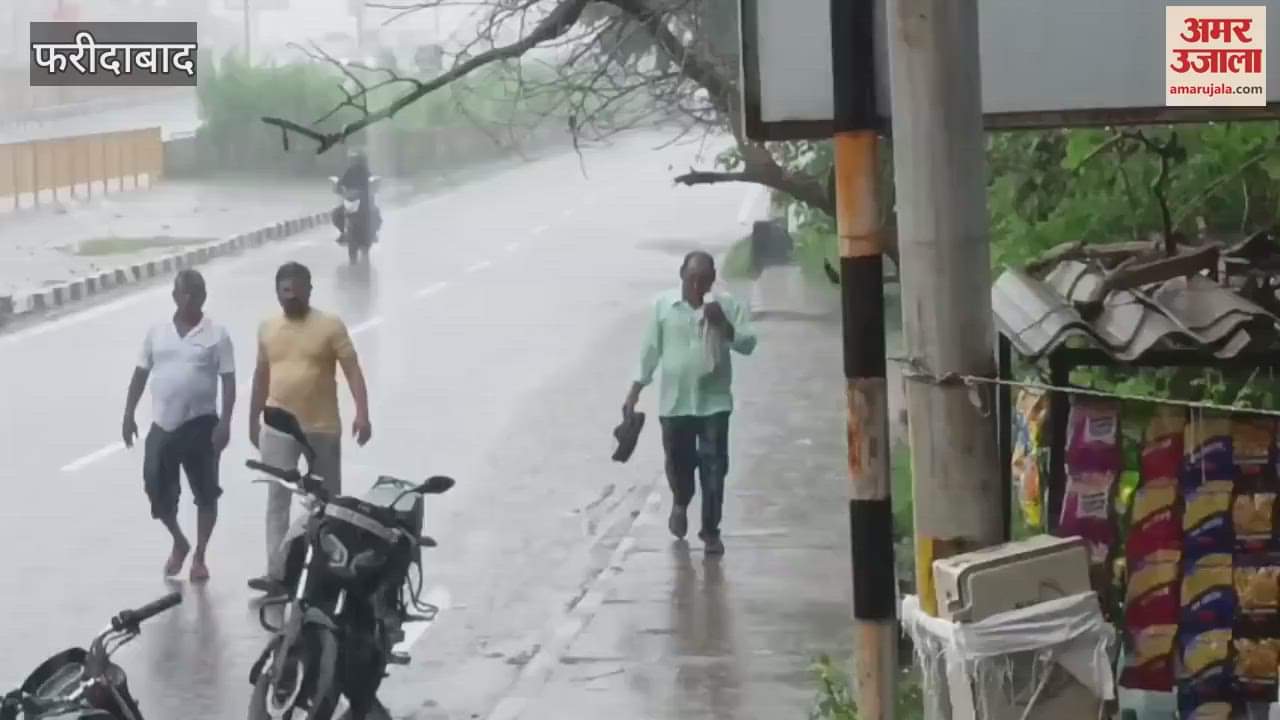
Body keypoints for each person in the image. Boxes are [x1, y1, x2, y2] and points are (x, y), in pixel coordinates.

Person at [247, 261, 373, 595]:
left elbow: (352, 370)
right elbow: (260, 376)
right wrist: (252, 418)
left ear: (309, 290)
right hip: (278, 426)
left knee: (327, 502)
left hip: (321, 427)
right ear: (276, 292)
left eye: (297, 291)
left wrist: (362, 412)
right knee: (277, 500)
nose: (290, 298)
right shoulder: (267, 328)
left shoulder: (330, 326)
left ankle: (327, 570)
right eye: (284, 291)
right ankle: (277, 574)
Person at [622, 251, 757, 555]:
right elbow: (649, 352)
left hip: (715, 403)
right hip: (675, 404)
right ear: (681, 274)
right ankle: (680, 502)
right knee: (679, 465)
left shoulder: (725, 306)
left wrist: (724, 325)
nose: (697, 285)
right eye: (692, 278)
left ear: (712, 280)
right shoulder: (664, 307)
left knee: (714, 468)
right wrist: (634, 393)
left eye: (704, 279)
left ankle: (710, 531)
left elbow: (748, 344)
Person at [122, 269, 235, 582]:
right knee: (156, 486)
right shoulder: (156, 331)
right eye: (184, 293)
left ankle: (199, 555)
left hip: (201, 425)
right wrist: (128, 414)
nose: (190, 299)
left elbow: (228, 380)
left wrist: (225, 423)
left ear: (202, 297)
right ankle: (179, 541)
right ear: (175, 296)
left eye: (196, 294)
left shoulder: (217, 335)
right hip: (163, 425)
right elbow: (140, 374)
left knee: (206, 493)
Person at [332, 150, 382, 244]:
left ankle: (372, 233)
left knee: (375, 214)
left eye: (358, 160)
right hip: (351, 201)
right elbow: (340, 184)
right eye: (355, 161)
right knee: (336, 214)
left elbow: (373, 184)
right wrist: (338, 188)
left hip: (364, 203)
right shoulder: (349, 171)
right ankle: (343, 232)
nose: (357, 163)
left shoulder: (366, 172)